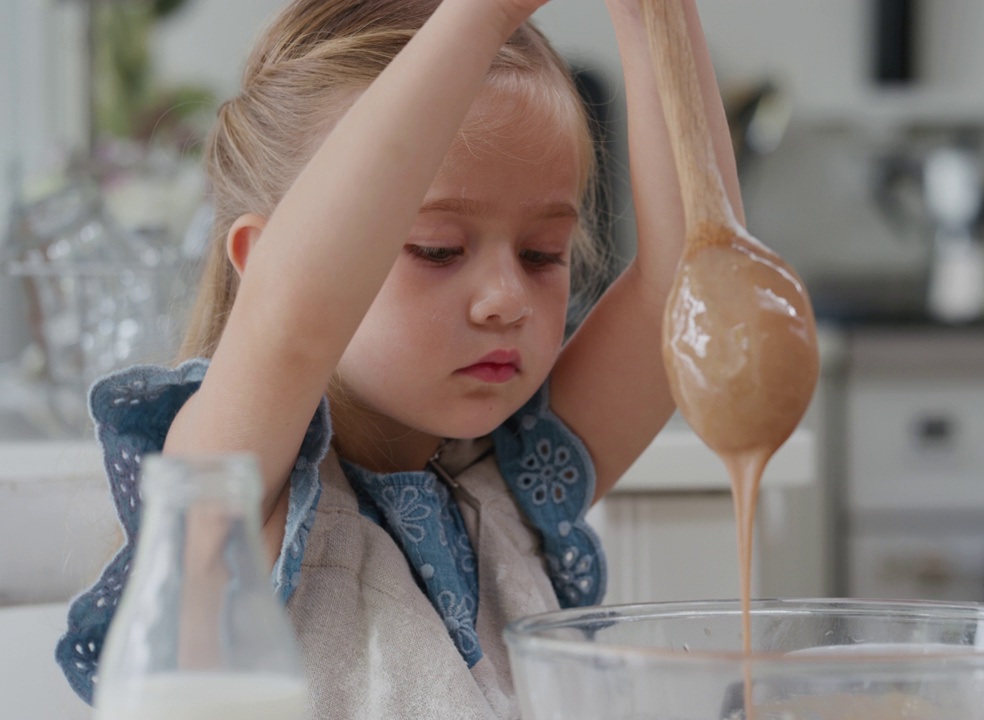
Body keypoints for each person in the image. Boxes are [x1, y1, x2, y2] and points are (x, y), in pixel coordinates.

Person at [55, 0, 745, 717]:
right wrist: (483, 16)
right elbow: (294, 317)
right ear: (260, 263)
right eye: (437, 249)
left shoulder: (513, 494)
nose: (506, 299)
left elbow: (691, 280)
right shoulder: (231, 499)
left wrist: (656, 18)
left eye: (542, 255)